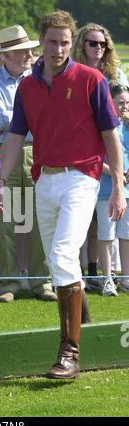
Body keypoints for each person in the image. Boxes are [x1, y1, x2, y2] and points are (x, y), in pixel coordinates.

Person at [0, 10, 126, 379]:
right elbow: (16, 137)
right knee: (59, 263)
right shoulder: (27, 87)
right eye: (52, 42)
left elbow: (110, 137)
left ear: (72, 43)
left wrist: (117, 184)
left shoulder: (91, 79)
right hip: (43, 180)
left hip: (82, 178)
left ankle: (69, 353)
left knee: (62, 253)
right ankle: (80, 307)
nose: (58, 49)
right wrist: (0, 180)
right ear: (42, 41)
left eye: (65, 42)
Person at [0, 24, 57, 303]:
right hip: (5, 155)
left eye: (29, 50)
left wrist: (26, 121)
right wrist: (29, 120)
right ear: (5, 56)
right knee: (7, 221)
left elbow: (44, 119)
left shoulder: (40, 79)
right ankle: (9, 284)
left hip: (39, 152)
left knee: (41, 221)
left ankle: (41, 282)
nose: (29, 55)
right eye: (22, 52)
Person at [72, 23, 129, 292]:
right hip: (81, 146)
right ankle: (80, 272)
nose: (98, 48)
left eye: (103, 44)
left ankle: (103, 272)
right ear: (82, 44)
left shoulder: (114, 74)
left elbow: (123, 109)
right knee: (82, 219)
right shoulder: (72, 72)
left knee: (104, 221)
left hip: (109, 142)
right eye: (92, 43)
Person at [95, 84, 129, 296]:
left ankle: (126, 278)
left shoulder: (127, 127)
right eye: (120, 102)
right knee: (106, 236)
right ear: (111, 103)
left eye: (127, 103)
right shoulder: (101, 126)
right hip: (105, 190)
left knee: (126, 236)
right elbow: (95, 159)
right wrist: (115, 173)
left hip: (127, 192)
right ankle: (107, 278)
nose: (125, 106)